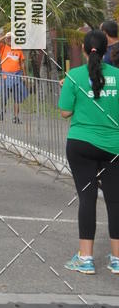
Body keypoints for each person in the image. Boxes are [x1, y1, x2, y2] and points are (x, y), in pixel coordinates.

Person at [58, 29, 119, 275]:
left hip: (81, 144)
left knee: (87, 198)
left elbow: (64, 112)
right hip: (114, 145)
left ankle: (85, 259)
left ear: (84, 50)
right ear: (107, 50)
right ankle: (117, 260)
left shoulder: (74, 76)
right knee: (115, 201)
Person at [0, 31, 27, 123]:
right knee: (4, 97)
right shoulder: (3, 47)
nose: (9, 40)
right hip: (5, 77)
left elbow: (22, 63)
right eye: (8, 38)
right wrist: (5, 35)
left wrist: (25, 76)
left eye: (11, 38)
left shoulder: (18, 49)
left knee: (17, 98)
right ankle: (2, 111)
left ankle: (15, 117)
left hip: (17, 76)